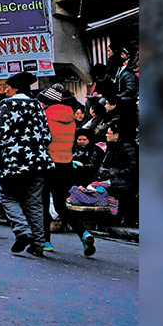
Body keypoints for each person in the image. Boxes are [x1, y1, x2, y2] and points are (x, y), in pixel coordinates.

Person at [0, 72, 54, 257]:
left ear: (16, 87)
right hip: (38, 163)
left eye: (7, 86)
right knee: (34, 203)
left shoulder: (7, 105)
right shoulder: (36, 104)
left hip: (13, 163)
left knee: (8, 197)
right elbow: (47, 135)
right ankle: (38, 244)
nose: (5, 90)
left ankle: (22, 230)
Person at [39, 84, 96, 257]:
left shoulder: (45, 116)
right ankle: (83, 233)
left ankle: (46, 241)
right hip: (66, 165)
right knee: (60, 204)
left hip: (49, 163)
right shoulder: (71, 119)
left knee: (44, 203)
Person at [96, 121, 139, 226]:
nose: (106, 135)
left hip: (127, 181)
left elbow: (133, 168)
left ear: (116, 135)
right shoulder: (114, 146)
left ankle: (115, 216)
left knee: (100, 187)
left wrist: (113, 172)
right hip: (117, 178)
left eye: (108, 133)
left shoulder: (128, 147)